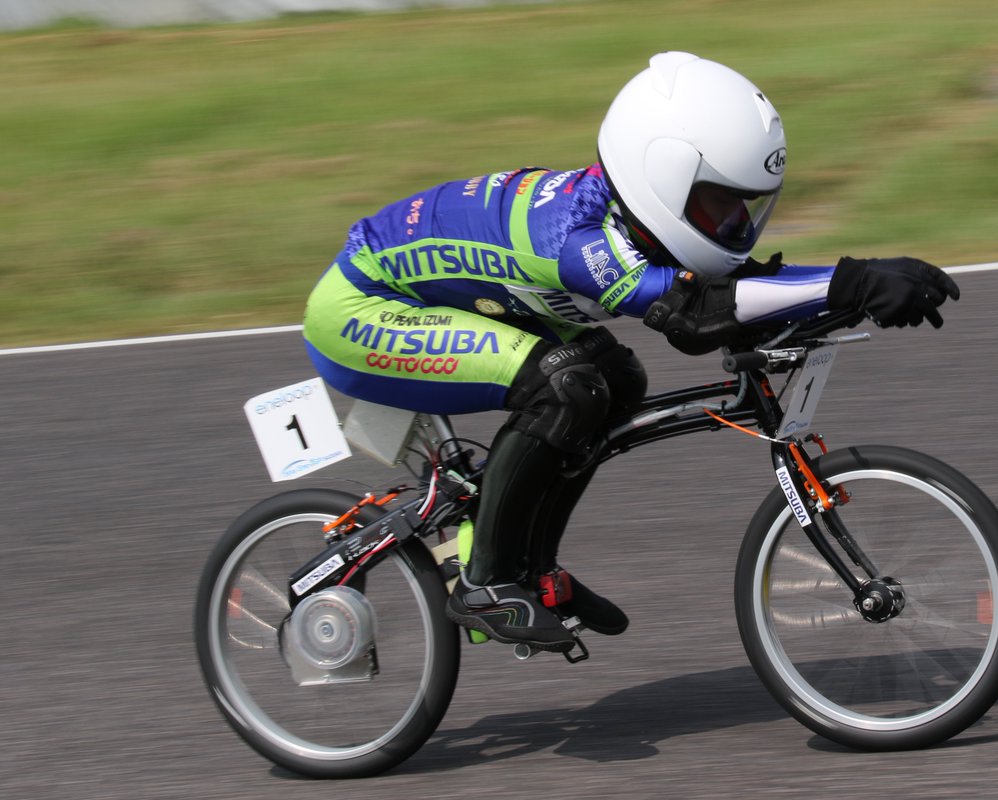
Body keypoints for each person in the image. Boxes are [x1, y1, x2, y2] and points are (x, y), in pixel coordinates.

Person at [303, 52, 960, 653]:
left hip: (447, 300)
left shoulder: (627, 213)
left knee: (617, 377)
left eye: (742, 207)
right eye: (719, 203)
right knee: (567, 386)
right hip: (360, 311)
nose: (735, 223)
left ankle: (532, 569)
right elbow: (696, 318)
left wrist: (854, 287)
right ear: (662, 177)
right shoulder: (578, 240)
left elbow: (734, 288)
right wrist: (851, 281)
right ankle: (486, 583)